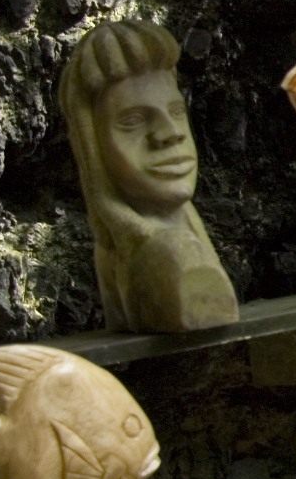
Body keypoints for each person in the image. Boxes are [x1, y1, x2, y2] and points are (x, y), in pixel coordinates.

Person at [60, 21, 238, 333]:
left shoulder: (177, 230)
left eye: (177, 111)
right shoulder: (159, 251)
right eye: (134, 121)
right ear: (94, 148)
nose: (169, 134)